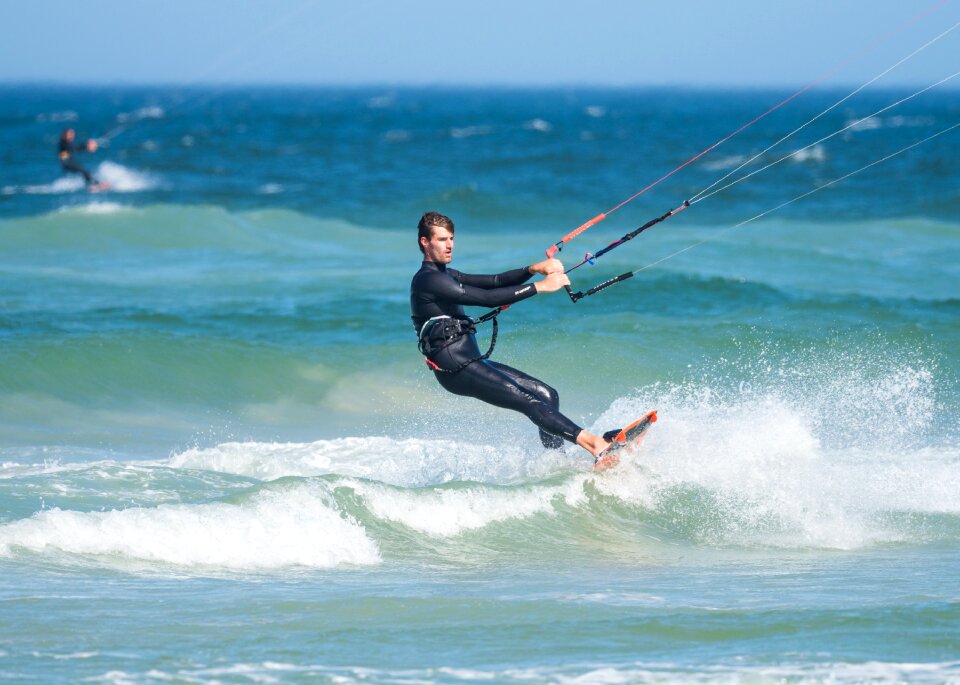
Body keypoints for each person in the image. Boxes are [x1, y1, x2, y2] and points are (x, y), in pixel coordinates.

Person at [410, 211, 615, 460]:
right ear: (425, 242)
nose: (450, 245)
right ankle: (595, 445)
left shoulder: (447, 274)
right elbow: (485, 299)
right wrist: (540, 286)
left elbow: (495, 281)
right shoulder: (427, 280)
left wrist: (532, 269)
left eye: (451, 238)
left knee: (547, 395)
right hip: (455, 367)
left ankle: (557, 461)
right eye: (442, 239)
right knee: (530, 401)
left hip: (470, 360)